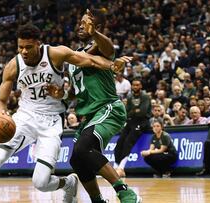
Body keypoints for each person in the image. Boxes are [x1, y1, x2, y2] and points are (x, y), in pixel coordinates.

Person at [0, 23, 117, 203]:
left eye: (28, 47)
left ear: (38, 44)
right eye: (20, 47)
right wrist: (1, 113)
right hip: (25, 116)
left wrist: (112, 65)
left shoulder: (56, 54)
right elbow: (1, 101)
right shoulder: (13, 65)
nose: (24, 51)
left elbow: (90, 60)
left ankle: (68, 182)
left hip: (52, 120)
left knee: (40, 182)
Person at [46, 9, 141, 203]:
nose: (81, 25)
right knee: (77, 159)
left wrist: (95, 34)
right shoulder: (75, 57)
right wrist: (61, 94)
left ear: (97, 27)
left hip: (108, 108)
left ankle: (126, 193)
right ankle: (97, 200)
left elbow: (110, 50)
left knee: (83, 149)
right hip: (90, 115)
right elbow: (74, 91)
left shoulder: (97, 46)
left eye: (86, 22)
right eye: (80, 22)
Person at [114, 78, 151, 177]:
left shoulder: (145, 97)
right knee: (119, 142)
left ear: (141, 86)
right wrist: (135, 110)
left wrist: (133, 111)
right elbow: (127, 112)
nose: (135, 87)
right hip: (131, 121)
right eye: (134, 85)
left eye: (137, 85)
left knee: (128, 142)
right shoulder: (130, 96)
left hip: (142, 122)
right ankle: (116, 166)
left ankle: (121, 168)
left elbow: (143, 112)